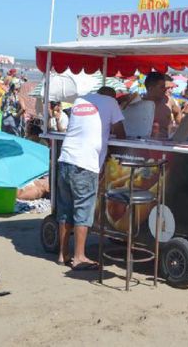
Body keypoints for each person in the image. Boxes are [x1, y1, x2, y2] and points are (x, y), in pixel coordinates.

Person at [57, 87, 126, 270]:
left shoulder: (80, 101)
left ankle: (63, 254)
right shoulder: (111, 102)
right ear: (111, 97)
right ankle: (79, 257)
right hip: (85, 163)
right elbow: (121, 132)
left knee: (65, 209)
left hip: (65, 158)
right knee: (83, 209)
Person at [143, 72, 172, 139]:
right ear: (151, 88)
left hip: (163, 147)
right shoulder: (138, 107)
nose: (165, 89)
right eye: (162, 87)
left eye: (164, 86)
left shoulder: (166, 108)